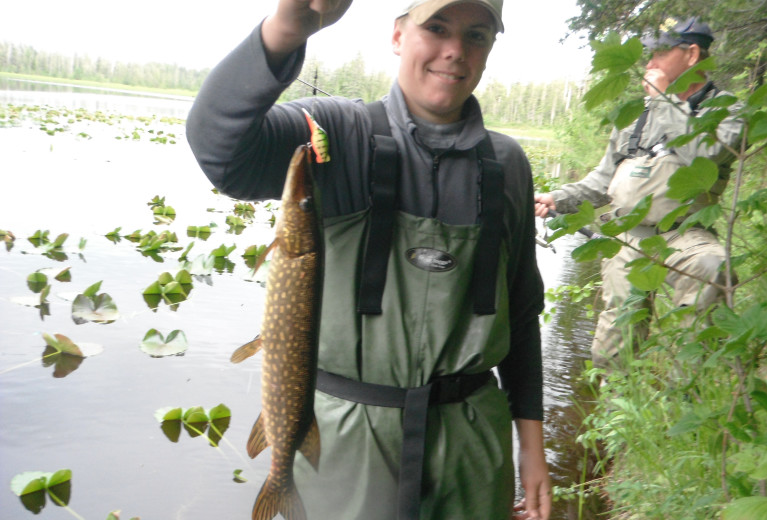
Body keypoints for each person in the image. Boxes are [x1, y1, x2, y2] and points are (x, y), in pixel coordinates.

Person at [186, 1, 551, 519]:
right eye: (437, 28)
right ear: (399, 35)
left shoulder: (508, 165)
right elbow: (223, 154)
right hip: (342, 445)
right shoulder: (337, 132)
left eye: (477, 35)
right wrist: (287, 29)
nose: (454, 50)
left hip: (470, 447)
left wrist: (531, 449)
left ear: (490, 50)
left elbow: (520, 313)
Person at [534, 16, 743, 370]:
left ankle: (690, 393)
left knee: (714, 265)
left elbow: (705, 154)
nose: (649, 64)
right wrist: (557, 199)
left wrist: (663, 99)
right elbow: (601, 183)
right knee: (612, 349)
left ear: (691, 55)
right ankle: (617, 409)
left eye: (658, 54)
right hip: (629, 236)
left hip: (686, 234)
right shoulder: (636, 117)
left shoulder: (727, 109)